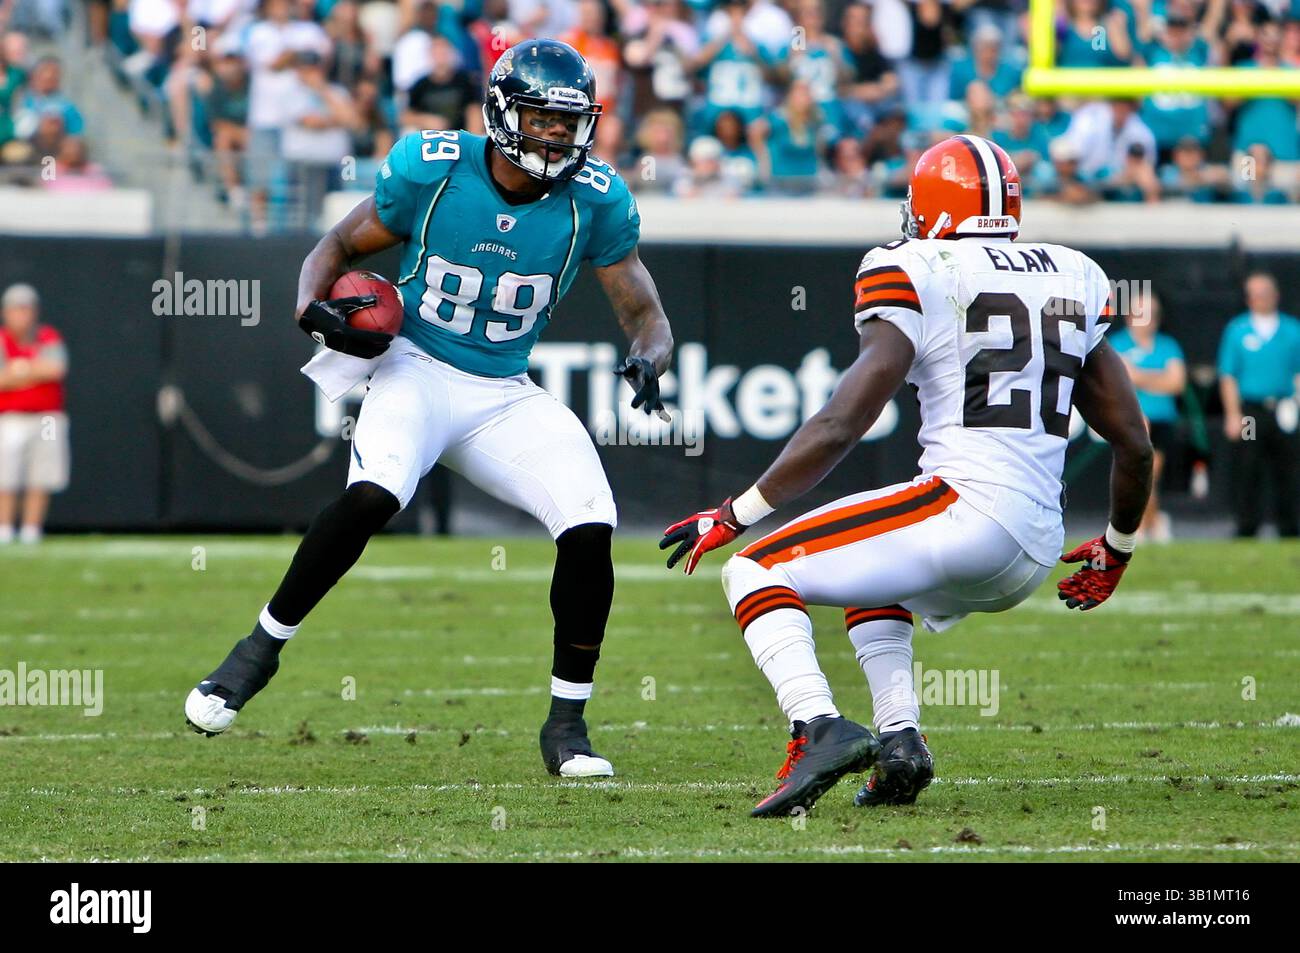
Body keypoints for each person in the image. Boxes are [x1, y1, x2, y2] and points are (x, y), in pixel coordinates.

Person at [185, 40, 676, 780]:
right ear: (505, 115)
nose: (556, 135)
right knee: (377, 489)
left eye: (567, 122)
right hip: (413, 364)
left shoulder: (597, 197)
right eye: (542, 119)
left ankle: (567, 724)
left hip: (504, 391)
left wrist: (651, 348)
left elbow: (643, 305)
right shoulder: (435, 164)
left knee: (589, 519)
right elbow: (341, 242)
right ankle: (256, 651)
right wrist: (306, 306)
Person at [661, 135, 1153, 817]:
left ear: (935, 208)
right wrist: (1118, 548)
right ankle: (901, 742)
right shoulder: (1073, 272)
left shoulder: (918, 264)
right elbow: (1133, 441)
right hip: (1038, 540)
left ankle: (819, 727)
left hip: (966, 512)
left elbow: (843, 420)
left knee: (752, 569)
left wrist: (735, 510)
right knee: (878, 581)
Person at [1217, 272, 1300, 538]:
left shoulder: (1291, 330)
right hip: (1251, 410)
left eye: (1265, 293)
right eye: (1255, 293)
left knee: (1288, 467)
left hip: (1284, 409)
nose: (1260, 299)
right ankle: (1246, 526)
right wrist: (1233, 414)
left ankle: (1289, 527)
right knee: (1248, 465)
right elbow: (1228, 375)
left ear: (1276, 295)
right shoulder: (1238, 329)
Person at [1107, 289, 1186, 541]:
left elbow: (1176, 383)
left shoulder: (1168, 344)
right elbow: (1120, 380)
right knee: (1138, 473)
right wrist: (1156, 378)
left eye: (1154, 314)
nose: (1149, 320)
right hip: (1131, 421)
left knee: (1150, 474)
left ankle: (1146, 523)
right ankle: (1149, 522)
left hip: (1162, 421)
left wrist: (1139, 376)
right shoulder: (1117, 343)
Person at [0, 283, 69, 544]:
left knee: (42, 473)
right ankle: (4, 528)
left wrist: (17, 370)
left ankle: (31, 529)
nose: (21, 315)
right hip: (10, 417)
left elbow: (54, 370)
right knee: (5, 474)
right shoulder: (2, 340)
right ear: (6, 312)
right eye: (16, 310)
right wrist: (30, 371)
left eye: (26, 310)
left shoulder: (48, 337)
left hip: (47, 417)